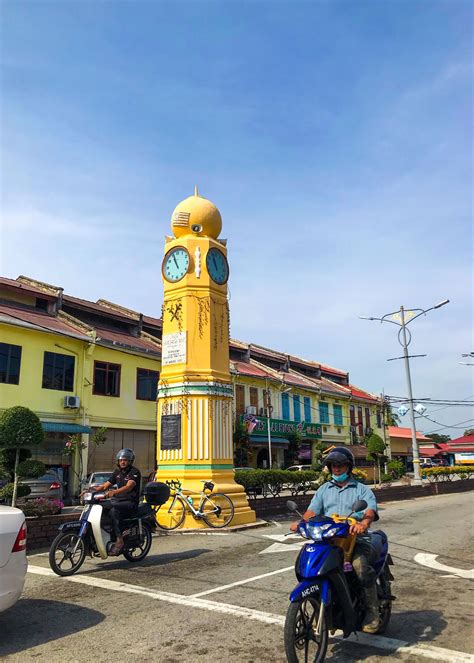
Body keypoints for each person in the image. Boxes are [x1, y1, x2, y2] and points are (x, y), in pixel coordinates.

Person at [290, 446, 380, 634]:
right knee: (310, 567)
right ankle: (321, 610)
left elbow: (370, 510)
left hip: (355, 540)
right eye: (333, 465)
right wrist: (300, 523)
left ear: (348, 466)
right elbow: (312, 511)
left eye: (340, 465)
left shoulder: (361, 489)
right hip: (329, 541)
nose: (336, 469)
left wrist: (363, 523)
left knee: (359, 568)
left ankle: (373, 613)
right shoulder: (324, 490)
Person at [91, 448, 141, 556]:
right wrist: (91, 491)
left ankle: (119, 539)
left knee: (114, 511)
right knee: (99, 506)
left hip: (130, 502)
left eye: (125, 460)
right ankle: (105, 534)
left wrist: (114, 492)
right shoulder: (117, 472)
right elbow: (105, 485)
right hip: (118, 501)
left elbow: (129, 486)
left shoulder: (134, 472)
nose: (122, 462)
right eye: (121, 460)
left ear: (130, 461)